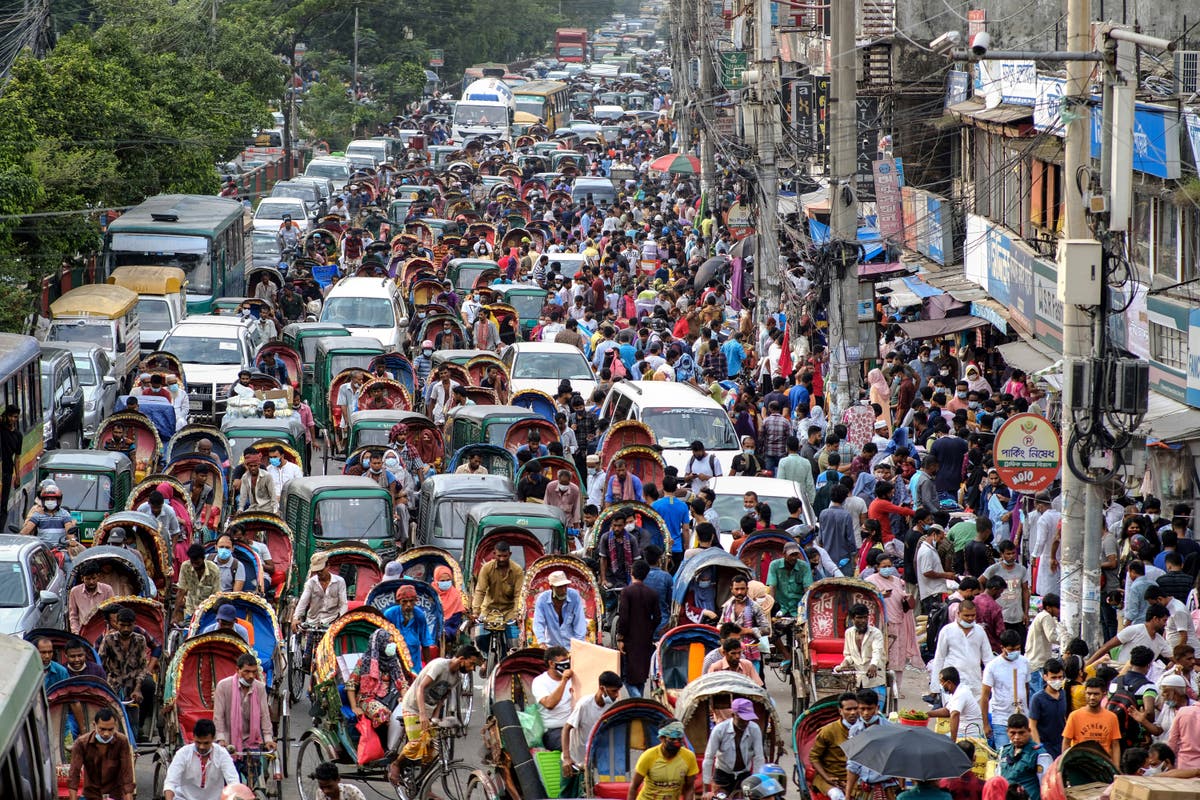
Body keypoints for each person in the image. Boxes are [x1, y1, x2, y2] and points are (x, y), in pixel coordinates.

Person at [394, 645, 483, 749]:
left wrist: (435, 718)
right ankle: (396, 764)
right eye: (471, 664)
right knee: (416, 746)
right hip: (412, 706)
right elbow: (420, 688)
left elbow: (441, 699)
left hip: (429, 710)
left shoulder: (457, 678)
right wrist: (422, 715)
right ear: (461, 659)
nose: (472, 668)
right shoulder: (440, 665)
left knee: (432, 749)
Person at [865, 552, 925, 688]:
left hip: (900, 621)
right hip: (884, 624)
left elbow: (900, 594)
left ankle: (896, 687)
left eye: (889, 566)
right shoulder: (871, 581)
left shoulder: (897, 580)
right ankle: (881, 685)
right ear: (877, 567)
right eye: (884, 566)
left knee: (899, 656)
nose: (887, 568)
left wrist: (906, 597)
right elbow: (868, 600)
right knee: (884, 655)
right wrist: (880, 596)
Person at [562, 671, 624, 794]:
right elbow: (566, 729)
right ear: (602, 688)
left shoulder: (612, 708)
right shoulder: (584, 704)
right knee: (567, 794)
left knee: (588, 793)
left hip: (591, 761)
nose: (617, 695)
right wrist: (566, 758)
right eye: (613, 691)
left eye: (618, 691)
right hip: (574, 759)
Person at [346, 629, 407, 743]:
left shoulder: (394, 662)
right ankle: (385, 745)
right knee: (382, 714)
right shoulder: (364, 662)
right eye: (388, 643)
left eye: (392, 642)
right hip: (367, 698)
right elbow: (351, 684)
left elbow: (402, 683)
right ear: (380, 644)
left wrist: (404, 697)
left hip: (390, 696)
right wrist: (354, 707)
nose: (392, 645)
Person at [98, 607, 153, 733]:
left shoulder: (140, 640)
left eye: (129, 626)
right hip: (114, 680)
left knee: (149, 686)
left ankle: (141, 724)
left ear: (134, 624)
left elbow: (142, 666)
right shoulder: (108, 640)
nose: (126, 629)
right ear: (117, 623)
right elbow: (100, 663)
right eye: (122, 625)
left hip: (134, 680)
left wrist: (138, 688)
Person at [213, 653, 274, 757]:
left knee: (254, 770)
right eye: (247, 671)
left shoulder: (259, 688)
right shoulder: (223, 686)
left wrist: (268, 739)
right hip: (229, 741)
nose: (251, 676)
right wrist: (221, 739)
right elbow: (218, 717)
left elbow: (264, 716)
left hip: (252, 741)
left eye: (254, 672)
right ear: (238, 670)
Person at [67, 708, 135, 800]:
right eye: (102, 729)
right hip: (91, 795)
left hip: (115, 794)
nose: (106, 734)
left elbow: (127, 775)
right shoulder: (81, 743)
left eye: (110, 729)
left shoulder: (122, 741)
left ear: (115, 726)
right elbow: (74, 775)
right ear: (94, 725)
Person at [164, 719, 240, 800]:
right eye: (198, 742)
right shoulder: (183, 753)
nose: (201, 747)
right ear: (193, 737)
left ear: (213, 739)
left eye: (206, 743)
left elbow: (233, 782)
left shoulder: (222, 754)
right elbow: (170, 782)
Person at [471, 541, 525, 656]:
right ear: (494, 554)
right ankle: (486, 658)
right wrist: (476, 612)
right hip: (489, 609)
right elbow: (480, 591)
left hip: (509, 611)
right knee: (479, 637)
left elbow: (518, 595)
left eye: (504, 556)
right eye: (499, 556)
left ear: (509, 554)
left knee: (515, 642)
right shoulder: (486, 568)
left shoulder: (517, 570)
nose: (501, 559)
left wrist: (517, 614)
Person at [703, 698, 765, 797]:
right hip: (722, 775)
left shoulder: (754, 729)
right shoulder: (719, 730)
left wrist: (756, 782)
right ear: (733, 715)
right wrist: (706, 790)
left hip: (744, 775)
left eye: (748, 720)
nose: (745, 722)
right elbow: (709, 757)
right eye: (742, 719)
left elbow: (759, 757)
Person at [930, 600, 993, 696]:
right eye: (966, 616)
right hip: (953, 684)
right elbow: (939, 658)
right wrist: (935, 687)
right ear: (958, 614)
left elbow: (988, 658)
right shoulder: (947, 631)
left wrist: (991, 682)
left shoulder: (980, 631)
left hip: (974, 683)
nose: (970, 618)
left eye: (973, 615)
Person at [617, 559, 661, 697]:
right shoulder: (652, 593)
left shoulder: (626, 592)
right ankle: (639, 704)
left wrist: (620, 637)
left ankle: (638, 700)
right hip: (645, 639)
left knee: (627, 676)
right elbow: (658, 617)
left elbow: (623, 617)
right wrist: (650, 629)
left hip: (630, 639)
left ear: (632, 573)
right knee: (641, 676)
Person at [981, 630, 1032, 749]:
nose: (1015, 652)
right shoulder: (992, 667)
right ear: (1002, 647)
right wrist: (986, 724)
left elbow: (1027, 688)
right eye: (1011, 649)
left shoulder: (1024, 662)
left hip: (1022, 718)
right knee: (1004, 756)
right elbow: (984, 696)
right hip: (1001, 720)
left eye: (1017, 649)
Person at [626, 720, 698, 800]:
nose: (676, 743)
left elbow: (689, 788)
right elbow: (633, 787)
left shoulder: (689, 757)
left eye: (679, 739)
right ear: (662, 738)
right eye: (672, 739)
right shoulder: (648, 756)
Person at [1087, 605, 1171, 666]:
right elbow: (1106, 647)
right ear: (1155, 619)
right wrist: (1087, 666)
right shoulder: (1134, 630)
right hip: (1122, 672)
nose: (1165, 624)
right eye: (1164, 620)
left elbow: (1174, 658)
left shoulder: (1160, 641)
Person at [810, 692, 858, 800]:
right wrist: (827, 778)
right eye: (848, 709)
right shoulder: (828, 731)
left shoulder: (864, 729)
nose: (853, 712)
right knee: (837, 796)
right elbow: (814, 757)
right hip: (831, 778)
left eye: (856, 709)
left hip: (856, 779)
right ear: (840, 711)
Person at [1063, 677, 1121, 764]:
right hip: (1080, 765)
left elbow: (1115, 745)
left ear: (1104, 694)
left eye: (1096, 694)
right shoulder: (1074, 716)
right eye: (1089, 694)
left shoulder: (1112, 717)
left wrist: (1116, 768)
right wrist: (1065, 765)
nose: (1092, 697)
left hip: (1103, 766)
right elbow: (1066, 742)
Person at [839, 603, 888, 707]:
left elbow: (877, 651)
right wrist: (844, 664)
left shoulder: (876, 633)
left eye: (865, 618)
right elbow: (848, 654)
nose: (863, 621)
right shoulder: (849, 633)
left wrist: (873, 664)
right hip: (859, 677)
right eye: (859, 618)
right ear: (852, 618)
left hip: (875, 677)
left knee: (876, 711)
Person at [982, 540, 1030, 642]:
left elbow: (1025, 591)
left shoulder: (1022, 570)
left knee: (1019, 644)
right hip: (1001, 616)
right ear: (1002, 554)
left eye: (1013, 553)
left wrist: (1026, 612)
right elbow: (980, 581)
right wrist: (986, 599)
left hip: (1017, 616)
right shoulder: (994, 569)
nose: (1011, 556)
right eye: (1008, 554)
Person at [719, 575, 770, 667]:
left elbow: (766, 629)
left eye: (742, 589)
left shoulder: (755, 607)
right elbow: (720, 625)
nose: (739, 592)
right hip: (729, 654)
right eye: (737, 589)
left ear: (747, 589)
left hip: (750, 654)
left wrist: (746, 630)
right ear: (731, 589)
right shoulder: (727, 607)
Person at [532, 570, 589, 649]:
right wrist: (541, 642)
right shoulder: (542, 600)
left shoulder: (574, 596)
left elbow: (579, 622)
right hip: (552, 646)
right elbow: (538, 622)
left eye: (565, 586)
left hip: (572, 645)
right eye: (559, 587)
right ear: (551, 588)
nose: (563, 590)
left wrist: (578, 645)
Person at [383, 584, 434, 672]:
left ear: (415, 601)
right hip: (393, 663)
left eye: (411, 601)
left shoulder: (419, 616)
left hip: (414, 663)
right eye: (404, 601)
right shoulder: (390, 614)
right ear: (399, 602)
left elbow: (425, 643)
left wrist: (428, 668)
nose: (408, 605)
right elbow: (382, 640)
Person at [533, 646, 575, 750]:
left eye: (567, 660)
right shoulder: (539, 682)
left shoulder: (574, 679)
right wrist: (564, 681)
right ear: (551, 663)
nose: (566, 664)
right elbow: (549, 704)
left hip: (574, 726)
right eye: (563, 661)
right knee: (572, 747)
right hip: (553, 731)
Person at [928, 667, 985, 742]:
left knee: (935, 742)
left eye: (941, 682)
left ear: (949, 683)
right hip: (962, 732)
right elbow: (947, 711)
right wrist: (927, 714)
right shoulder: (957, 691)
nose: (940, 684)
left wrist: (953, 741)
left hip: (968, 734)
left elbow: (954, 714)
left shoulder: (961, 694)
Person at [293, 551, 349, 627]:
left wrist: (340, 620)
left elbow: (343, 604)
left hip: (332, 622)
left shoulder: (339, 582)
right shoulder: (311, 582)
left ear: (328, 566)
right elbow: (303, 601)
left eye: (321, 570)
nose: (319, 573)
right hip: (312, 622)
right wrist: (296, 618)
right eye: (317, 571)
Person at [1028, 658, 1068, 758]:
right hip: (1045, 746)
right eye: (1053, 678)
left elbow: (1064, 718)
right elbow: (1032, 726)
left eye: (1060, 677)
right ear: (1045, 677)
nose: (1057, 681)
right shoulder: (1037, 699)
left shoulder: (1063, 694)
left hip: (1061, 744)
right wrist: (1039, 748)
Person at [1025, 594, 1062, 695]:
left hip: (1033, 662)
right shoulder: (1046, 616)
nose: (1059, 610)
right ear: (1048, 608)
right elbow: (1052, 637)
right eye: (1057, 607)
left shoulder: (1042, 616)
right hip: (1038, 663)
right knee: (1040, 694)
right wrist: (1065, 640)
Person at [177, 543, 222, 623]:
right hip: (190, 611)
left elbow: (216, 595)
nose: (195, 566)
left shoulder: (214, 570)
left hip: (207, 613)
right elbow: (181, 591)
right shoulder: (185, 567)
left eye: (197, 563)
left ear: (203, 558)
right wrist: (175, 614)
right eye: (192, 562)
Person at [766, 541, 811, 620]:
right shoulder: (774, 565)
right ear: (784, 554)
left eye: (796, 555)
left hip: (798, 607)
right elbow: (772, 587)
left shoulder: (804, 567)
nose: (794, 558)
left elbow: (807, 588)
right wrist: (770, 607)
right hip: (781, 607)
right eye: (791, 555)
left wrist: (807, 607)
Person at [68, 561, 115, 633]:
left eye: (94, 578)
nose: (91, 582)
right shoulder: (75, 592)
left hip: (103, 631)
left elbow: (112, 613)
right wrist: (76, 633)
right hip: (83, 632)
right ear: (82, 578)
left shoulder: (107, 590)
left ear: (98, 577)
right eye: (88, 579)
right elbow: (73, 616)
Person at [599, 512, 642, 588]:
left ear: (625, 524)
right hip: (610, 577)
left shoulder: (632, 539)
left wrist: (634, 580)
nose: (617, 529)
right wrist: (603, 579)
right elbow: (603, 559)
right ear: (611, 524)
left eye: (619, 526)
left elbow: (636, 561)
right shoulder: (605, 538)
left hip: (626, 577)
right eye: (614, 525)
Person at [432, 565, 466, 642]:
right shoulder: (430, 593)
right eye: (442, 581)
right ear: (436, 580)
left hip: (449, 628)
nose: (445, 583)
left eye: (448, 580)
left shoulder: (455, 595)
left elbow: (456, 620)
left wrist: (443, 626)